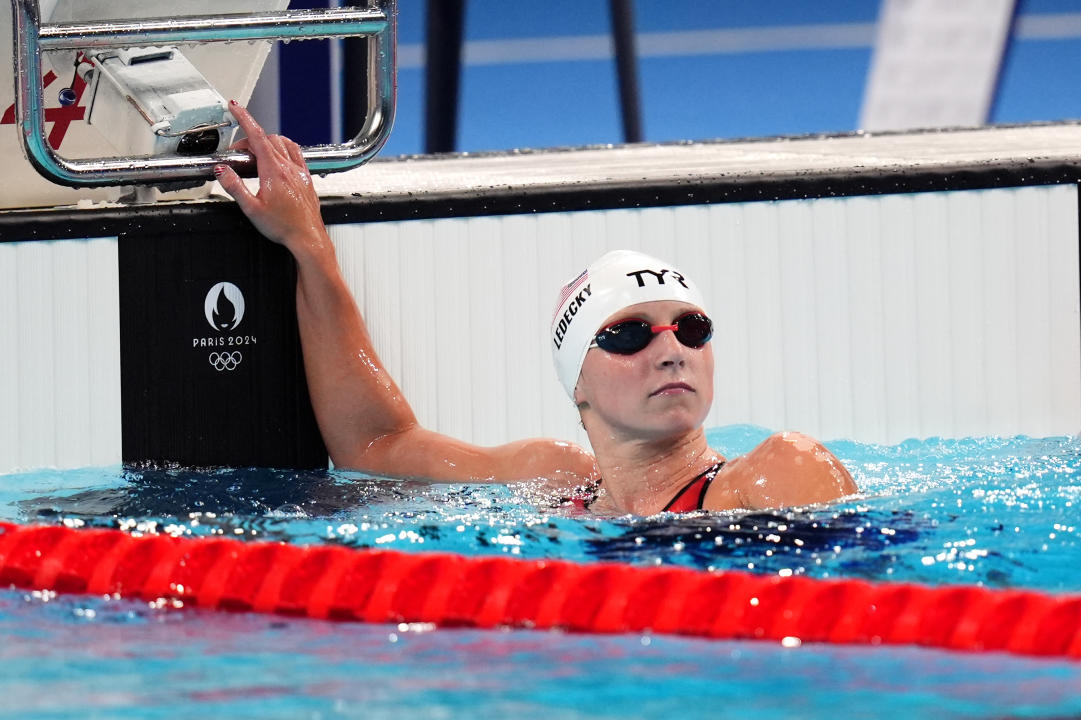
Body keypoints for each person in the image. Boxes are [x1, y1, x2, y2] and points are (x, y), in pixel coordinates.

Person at [215, 102, 858, 515]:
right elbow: (374, 444)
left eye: (691, 330)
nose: (671, 349)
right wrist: (308, 244)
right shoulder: (553, 481)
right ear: (575, 382)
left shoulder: (777, 474)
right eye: (629, 335)